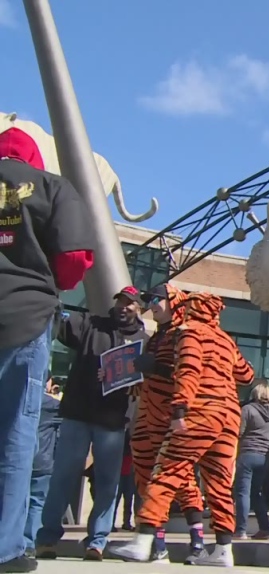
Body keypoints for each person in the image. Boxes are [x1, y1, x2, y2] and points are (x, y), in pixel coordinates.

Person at [0, 126, 93, 573]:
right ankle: (6, 549)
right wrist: (54, 283)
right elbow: (75, 258)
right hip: (27, 315)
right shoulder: (53, 187)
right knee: (18, 435)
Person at [112, 293, 255, 567]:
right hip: (229, 415)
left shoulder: (189, 333)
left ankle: (144, 540)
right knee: (220, 484)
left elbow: (188, 371)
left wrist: (179, 409)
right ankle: (224, 550)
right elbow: (247, 375)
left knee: (166, 471)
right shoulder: (225, 339)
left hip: (201, 411)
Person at [35, 286, 149, 561]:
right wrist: (51, 303)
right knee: (63, 476)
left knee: (108, 483)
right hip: (77, 413)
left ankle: (96, 542)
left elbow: (148, 378)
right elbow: (60, 328)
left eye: (130, 303)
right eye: (120, 302)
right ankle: (47, 539)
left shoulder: (145, 342)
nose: (123, 307)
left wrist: (135, 381)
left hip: (112, 420)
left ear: (139, 309)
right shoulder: (91, 324)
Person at [235, 383, 269, 540]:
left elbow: (239, 432)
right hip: (264, 457)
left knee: (243, 492)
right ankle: (265, 528)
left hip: (247, 453)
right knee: (257, 493)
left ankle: (240, 530)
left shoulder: (248, 409)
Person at [24, 381, 61, 559]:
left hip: (18, 459)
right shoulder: (52, 405)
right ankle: (29, 543)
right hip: (42, 460)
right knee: (37, 502)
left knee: (15, 500)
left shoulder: (16, 397)